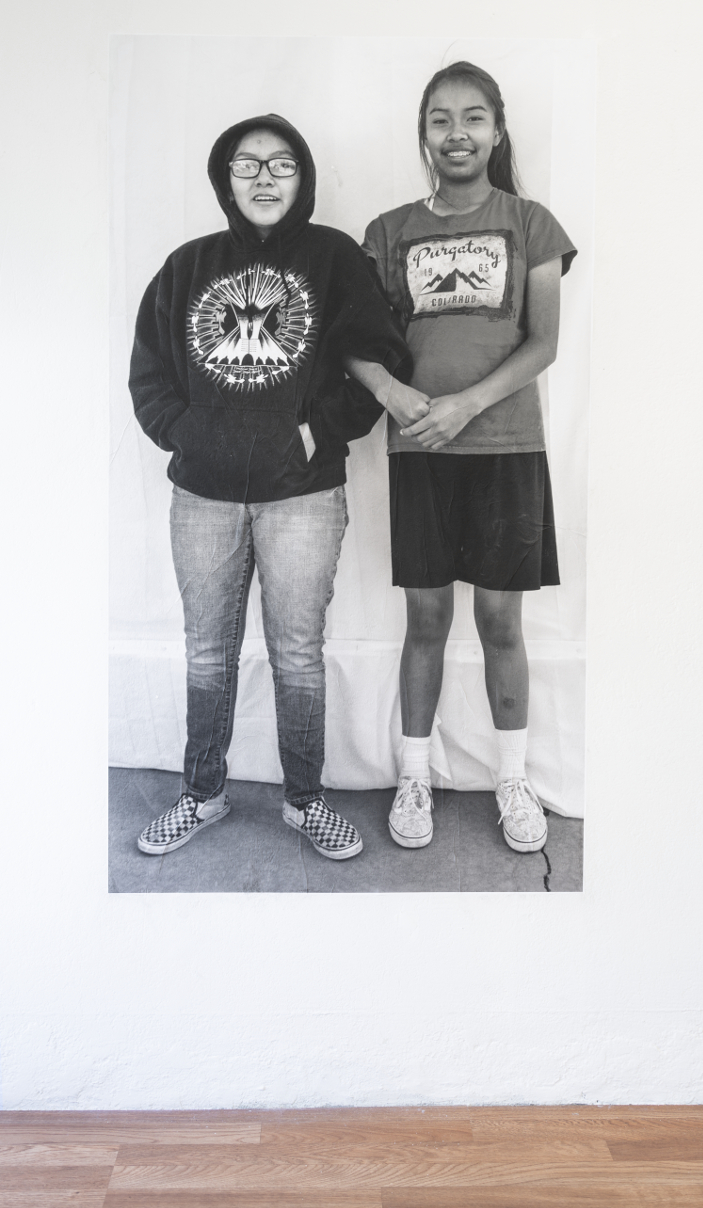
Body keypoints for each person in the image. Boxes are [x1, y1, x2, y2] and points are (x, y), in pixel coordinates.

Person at [129, 113, 409, 861]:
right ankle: (201, 793)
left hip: (303, 496)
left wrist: (317, 432)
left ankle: (306, 800)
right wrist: (189, 436)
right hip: (202, 497)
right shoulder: (187, 265)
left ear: (302, 176)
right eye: (246, 164)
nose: (262, 176)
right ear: (225, 178)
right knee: (207, 654)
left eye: (280, 163)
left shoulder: (334, 258)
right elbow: (149, 373)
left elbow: (381, 357)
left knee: (296, 654)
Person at [346, 62, 577, 854]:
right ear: (422, 134)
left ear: (497, 131)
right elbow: (358, 343)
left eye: (473, 118)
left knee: (499, 619)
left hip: (506, 448)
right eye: (440, 120)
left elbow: (543, 340)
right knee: (426, 619)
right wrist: (396, 398)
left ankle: (512, 777)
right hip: (419, 452)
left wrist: (466, 404)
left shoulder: (530, 222)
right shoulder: (387, 231)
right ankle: (414, 775)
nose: (457, 133)